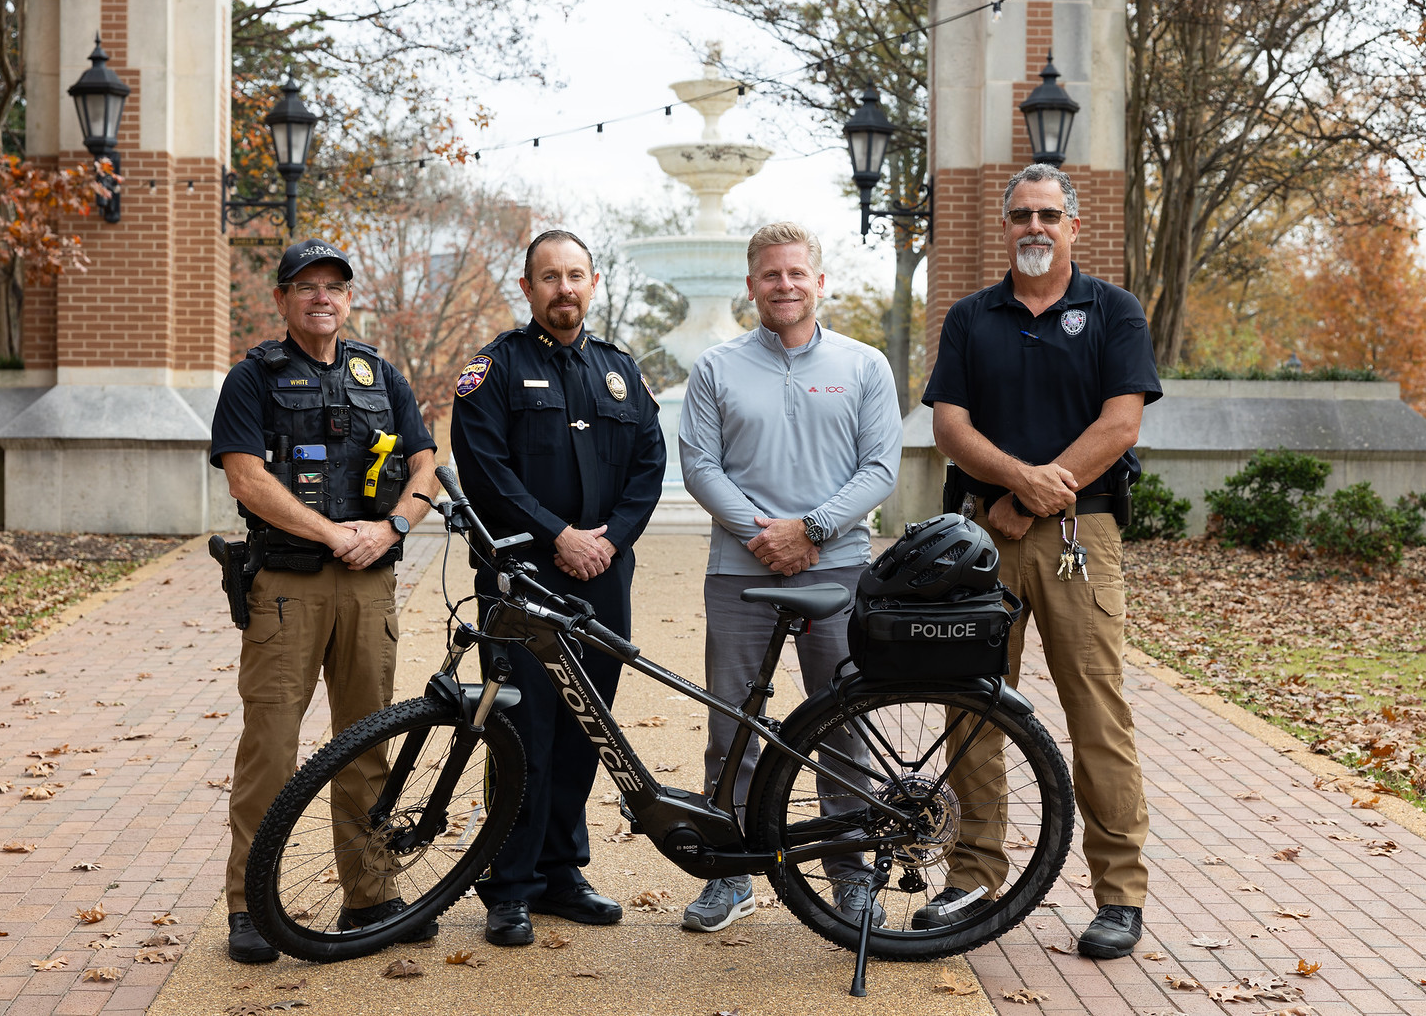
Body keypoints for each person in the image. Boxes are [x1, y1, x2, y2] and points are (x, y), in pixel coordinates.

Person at [916, 164, 1161, 959]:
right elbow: (950, 427)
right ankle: (973, 874)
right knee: (972, 707)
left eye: (1049, 214)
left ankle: (1118, 894)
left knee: (1096, 714)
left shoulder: (1115, 310)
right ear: (1004, 225)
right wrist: (1017, 482)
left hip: (1079, 538)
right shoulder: (970, 317)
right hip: (980, 541)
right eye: (1021, 214)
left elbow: (1120, 425)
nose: (1035, 226)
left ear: (1072, 226)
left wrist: (1031, 496)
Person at [209, 237, 440, 963]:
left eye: (333, 286)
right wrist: (333, 533)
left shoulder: (380, 374)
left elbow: (426, 463)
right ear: (282, 299)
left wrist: (394, 526)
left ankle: (370, 894)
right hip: (288, 586)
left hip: (370, 584)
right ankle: (250, 906)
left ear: (347, 298)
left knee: (367, 741)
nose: (321, 297)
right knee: (271, 748)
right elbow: (246, 477)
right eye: (305, 286)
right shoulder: (252, 378)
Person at [677, 221, 903, 933]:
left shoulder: (864, 365)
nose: (785, 285)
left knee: (842, 723)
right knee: (732, 725)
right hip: (738, 572)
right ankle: (730, 873)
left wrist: (811, 529)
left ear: (819, 282)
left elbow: (880, 468)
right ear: (751, 286)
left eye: (796, 273)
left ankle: (850, 875)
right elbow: (700, 466)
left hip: (837, 569)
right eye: (771, 275)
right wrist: (765, 536)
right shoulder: (716, 367)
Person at [450, 229, 666, 947]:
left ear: (593, 284)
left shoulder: (619, 370)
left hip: (604, 575)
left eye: (575, 275)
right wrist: (559, 536)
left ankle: (561, 871)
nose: (564, 288)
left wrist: (609, 539)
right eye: (550, 277)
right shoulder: (495, 368)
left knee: (585, 726)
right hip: (524, 578)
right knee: (521, 730)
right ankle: (508, 884)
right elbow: (486, 472)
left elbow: (650, 463)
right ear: (528, 288)